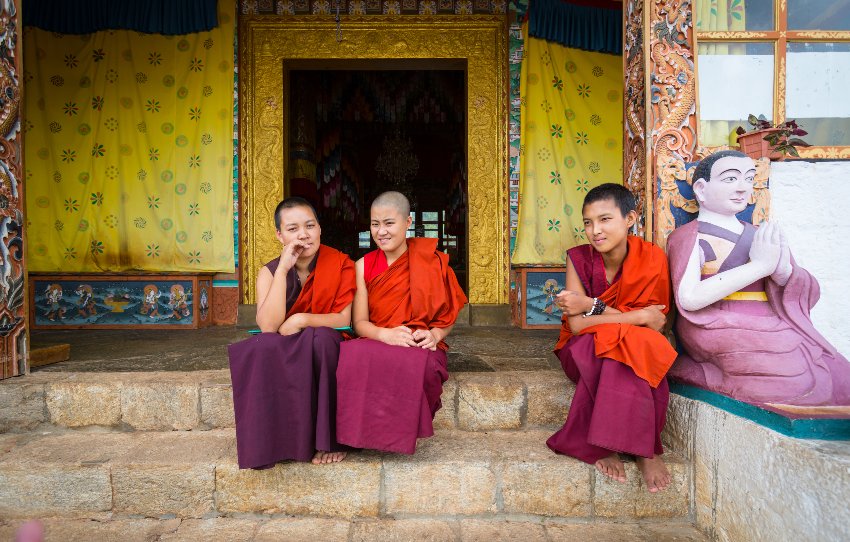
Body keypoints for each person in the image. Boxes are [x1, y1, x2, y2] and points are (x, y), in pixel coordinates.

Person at [667, 150, 850, 406]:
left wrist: (784, 273)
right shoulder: (689, 236)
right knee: (782, 381)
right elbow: (689, 298)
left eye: (749, 179)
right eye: (731, 179)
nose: (742, 188)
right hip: (715, 324)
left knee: (837, 372)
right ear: (701, 189)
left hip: (773, 323)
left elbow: (802, 290)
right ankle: (704, 373)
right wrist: (760, 266)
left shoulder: (759, 234)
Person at [547, 183, 677, 492]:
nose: (595, 231)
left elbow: (656, 322)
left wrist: (593, 307)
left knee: (635, 344)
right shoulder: (578, 257)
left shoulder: (652, 257)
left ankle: (640, 449)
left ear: (629, 218)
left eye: (605, 220)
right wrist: (637, 316)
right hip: (581, 350)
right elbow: (577, 327)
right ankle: (632, 447)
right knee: (619, 343)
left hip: (630, 342)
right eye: (588, 223)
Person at [227, 197, 356, 469]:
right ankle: (277, 443)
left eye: (310, 226)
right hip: (285, 344)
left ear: (320, 228)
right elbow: (268, 327)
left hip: (323, 342)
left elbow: (343, 318)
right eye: (293, 228)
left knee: (320, 338)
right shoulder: (270, 271)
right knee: (261, 346)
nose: (303, 235)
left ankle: (328, 440)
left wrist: (300, 319)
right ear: (279, 235)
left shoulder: (341, 263)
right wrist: (284, 268)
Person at [335, 191, 467, 454]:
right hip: (379, 336)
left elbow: (448, 315)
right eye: (375, 224)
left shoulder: (433, 259)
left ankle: (395, 436)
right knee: (351, 355)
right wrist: (386, 335)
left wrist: (436, 335)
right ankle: (358, 436)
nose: (381, 232)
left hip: (419, 340)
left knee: (425, 367)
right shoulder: (362, 266)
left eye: (389, 223)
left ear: (408, 223)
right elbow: (359, 323)